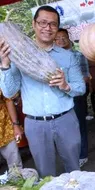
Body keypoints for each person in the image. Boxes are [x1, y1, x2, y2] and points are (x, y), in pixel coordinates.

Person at [0, 6, 85, 177]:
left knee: (74, 170)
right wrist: (5, 64)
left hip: (65, 119)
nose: (48, 28)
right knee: (46, 175)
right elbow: (9, 92)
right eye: (43, 23)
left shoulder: (67, 56)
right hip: (35, 124)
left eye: (53, 24)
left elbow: (81, 88)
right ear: (34, 24)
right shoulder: (19, 56)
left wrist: (66, 86)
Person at [55, 28, 90, 167]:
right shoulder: (51, 58)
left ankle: (82, 154)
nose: (61, 40)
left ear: (68, 38)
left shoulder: (78, 55)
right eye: (57, 38)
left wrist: (70, 86)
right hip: (60, 98)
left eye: (64, 37)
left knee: (79, 125)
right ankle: (69, 156)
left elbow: (86, 77)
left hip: (75, 96)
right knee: (64, 128)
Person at [0, 90, 23, 170]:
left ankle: (19, 181)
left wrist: (15, 125)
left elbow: (8, 100)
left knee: (16, 166)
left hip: (5, 128)